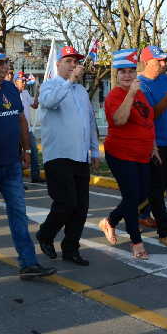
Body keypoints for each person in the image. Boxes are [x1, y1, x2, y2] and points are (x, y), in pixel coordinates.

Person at [0, 48, 56, 279]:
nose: (6, 67)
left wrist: (26, 149)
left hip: (11, 164)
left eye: (7, 63)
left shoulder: (10, 88)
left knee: (19, 213)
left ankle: (28, 263)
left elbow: (21, 119)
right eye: (1, 63)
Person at [36, 46, 99, 266]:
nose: (74, 65)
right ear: (59, 64)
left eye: (76, 61)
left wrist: (94, 149)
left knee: (81, 207)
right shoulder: (50, 85)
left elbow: (89, 122)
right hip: (59, 155)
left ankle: (71, 248)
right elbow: (49, 102)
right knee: (66, 203)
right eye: (69, 61)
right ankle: (45, 234)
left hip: (80, 156)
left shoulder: (81, 92)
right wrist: (69, 81)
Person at [98, 49, 158, 260]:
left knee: (142, 195)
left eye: (131, 71)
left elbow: (147, 121)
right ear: (116, 74)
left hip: (142, 153)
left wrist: (154, 146)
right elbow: (119, 120)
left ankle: (111, 221)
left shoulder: (141, 93)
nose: (127, 75)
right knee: (132, 198)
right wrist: (130, 94)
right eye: (122, 71)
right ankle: (136, 242)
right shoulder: (115, 95)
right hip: (121, 154)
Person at [135, 46, 167, 242]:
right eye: (160, 61)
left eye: (166, 61)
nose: (165, 65)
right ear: (147, 62)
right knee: (157, 190)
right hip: (153, 145)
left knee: (165, 184)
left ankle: (117, 218)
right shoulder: (141, 85)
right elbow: (153, 113)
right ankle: (165, 232)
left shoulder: (165, 80)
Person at [15, 72, 43, 183]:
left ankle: (35, 176)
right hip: (16, 130)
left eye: (24, 81)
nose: (24, 83)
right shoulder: (12, 94)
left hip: (28, 130)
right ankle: (18, 181)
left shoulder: (26, 93)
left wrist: (37, 93)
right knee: (17, 154)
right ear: (16, 82)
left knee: (33, 152)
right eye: (22, 81)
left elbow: (35, 105)